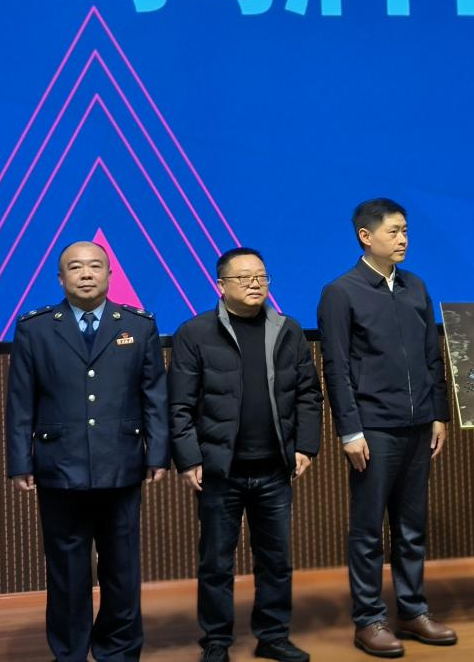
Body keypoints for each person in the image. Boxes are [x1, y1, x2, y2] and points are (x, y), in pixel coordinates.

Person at [5, 240, 169, 661]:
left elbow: (154, 395)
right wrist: (20, 461)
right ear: (61, 278)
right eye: (75, 267)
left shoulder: (139, 325)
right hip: (59, 467)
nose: (86, 274)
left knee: (121, 569)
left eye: (95, 266)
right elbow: (21, 401)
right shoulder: (35, 328)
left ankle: (118, 650)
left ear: (110, 275)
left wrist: (157, 454)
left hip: (122, 464)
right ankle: (70, 652)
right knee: (66, 571)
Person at [169, 247, 323, 662]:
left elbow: (309, 394)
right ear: (220, 285)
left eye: (261, 276)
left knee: (276, 560)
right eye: (244, 277)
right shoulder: (194, 333)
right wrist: (189, 458)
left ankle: (273, 636)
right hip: (220, 470)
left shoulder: (287, 329)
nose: (255, 284)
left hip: (274, 468)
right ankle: (216, 641)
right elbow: (179, 406)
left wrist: (306, 446)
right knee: (216, 563)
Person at [317, 198, 456, 658]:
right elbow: (336, 368)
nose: (403, 239)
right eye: (394, 231)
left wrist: (439, 413)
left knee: (411, 527)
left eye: (405, 231)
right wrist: (349, 431)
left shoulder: (416, 286)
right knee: (368, 531)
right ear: (366, 236)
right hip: (373, 428)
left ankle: (413, 611)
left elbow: (432, 355)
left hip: (419, 424)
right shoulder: (341, 292)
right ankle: (369, 619)